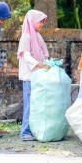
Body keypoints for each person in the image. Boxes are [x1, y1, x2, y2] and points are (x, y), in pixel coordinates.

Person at [17, 10, 51, 141]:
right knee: (30, 105)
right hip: (29, 77)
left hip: (38, 75)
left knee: (37, 105)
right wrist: (40, 65)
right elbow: (26, 56)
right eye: (40, 21)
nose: (42, 24)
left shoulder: (37, 36)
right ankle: (25, 132)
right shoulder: (26, 37)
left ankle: (34, 130)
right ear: (32, 21)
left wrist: (47, 63)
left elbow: (44, 53)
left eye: (43, 22)